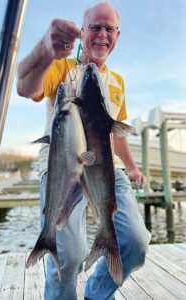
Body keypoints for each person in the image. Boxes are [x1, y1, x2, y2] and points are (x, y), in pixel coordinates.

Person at [17, 1, 151, 299]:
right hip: (63, 165)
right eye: (95, 26)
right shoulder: (62, 67)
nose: (102, 34)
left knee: (136, 242)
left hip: (106, 166)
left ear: (117, 34)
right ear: (82, 31)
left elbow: (116, 132)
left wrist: (131, 166)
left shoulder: (118, 82)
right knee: (68, 255)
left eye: (109, 28)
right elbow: (25, 88)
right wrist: (45, 50)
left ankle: (96, 294)